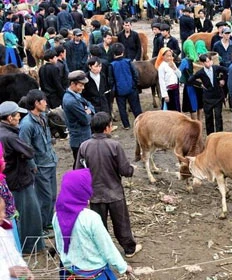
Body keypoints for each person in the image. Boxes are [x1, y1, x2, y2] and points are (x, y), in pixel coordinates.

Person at [75, 112, 142, 258]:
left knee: (99, 226)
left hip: (95, 195)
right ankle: (129, 249)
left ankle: (101, 251)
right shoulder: (114, 145)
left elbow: (78, 172)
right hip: (114, 192)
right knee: (121, 224)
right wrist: (131, 170)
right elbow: (124, 170)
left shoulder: (84, 146)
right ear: (107, 128)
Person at [53, 168, 134, 279]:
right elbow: (106, 248)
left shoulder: (57, 216)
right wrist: (123, 267)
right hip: (94, 272)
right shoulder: (90, 218)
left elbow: (59, 245)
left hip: (70, 271)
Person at [0, 101, 45, 254]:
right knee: (30, 214)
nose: (19, 116)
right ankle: (31, 247)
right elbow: (29, 152)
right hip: (19, 180)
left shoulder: (3, 132)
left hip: (9, 179)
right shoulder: (10, 136)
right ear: (8, 118)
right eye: (16, 114)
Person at [19, 90, 58, 237]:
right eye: (43, 100)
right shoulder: (27, 125)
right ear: (36, 103)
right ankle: (40, 227)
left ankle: (48, 222)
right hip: (40, 166)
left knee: (52, 195)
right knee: (44, 198)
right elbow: (25, 147)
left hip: (50, 161)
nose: (46, 103)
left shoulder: (42, 118)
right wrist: (33, 166)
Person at [62, 71, 95, 168]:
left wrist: (88, 110)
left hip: (82, 137)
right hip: (80, 139)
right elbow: (86, 120)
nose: (83, 88)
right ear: (73, 84)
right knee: (81, 166)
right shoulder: (71, 101)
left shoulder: (75, 95)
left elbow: (89, 104)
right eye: (81, 85)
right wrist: (88, 111)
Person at [188, 54, 228, 134]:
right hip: (208, 98)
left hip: (218, 96)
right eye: (207, 62)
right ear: (203, 63)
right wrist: (200, 85)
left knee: (218, 116)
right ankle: (210, 135)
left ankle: (219, 134)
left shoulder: (216, 68)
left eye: (210, 61)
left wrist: (223, 79)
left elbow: (226, 70)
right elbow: (190, 80)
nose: (209, 63)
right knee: (208, 117)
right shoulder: (201, 72)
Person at [109, 43, 142, 129]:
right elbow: (135, 73)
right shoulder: (128, 61)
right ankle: (140, 122)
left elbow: (111, 80)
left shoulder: (112, 65)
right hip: (131, 88)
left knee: (122, 108)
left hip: (119, 91)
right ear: (123, 52)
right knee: (136, 106)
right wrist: (135, 84)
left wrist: (114, 90)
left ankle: (126, 125)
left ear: (113, 53)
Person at [0, 197, 34, 280]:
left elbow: (13, 252)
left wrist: (24, 268)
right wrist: (7, 272)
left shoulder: (4, 230)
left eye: (3, 211)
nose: (3, 215)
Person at [0, 143, 21, 251]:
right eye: (1, 157)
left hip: (9, 220)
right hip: (4, 226)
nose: (4, 160)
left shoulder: (2, 179)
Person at [180, 40, 203, 120]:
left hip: (190, 86)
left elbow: (179, 72)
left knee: (193, 106)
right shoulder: (199, 58)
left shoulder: (185, 61)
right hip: (199, 85)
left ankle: (194, 124)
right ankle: (200, 122)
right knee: (200, 105)